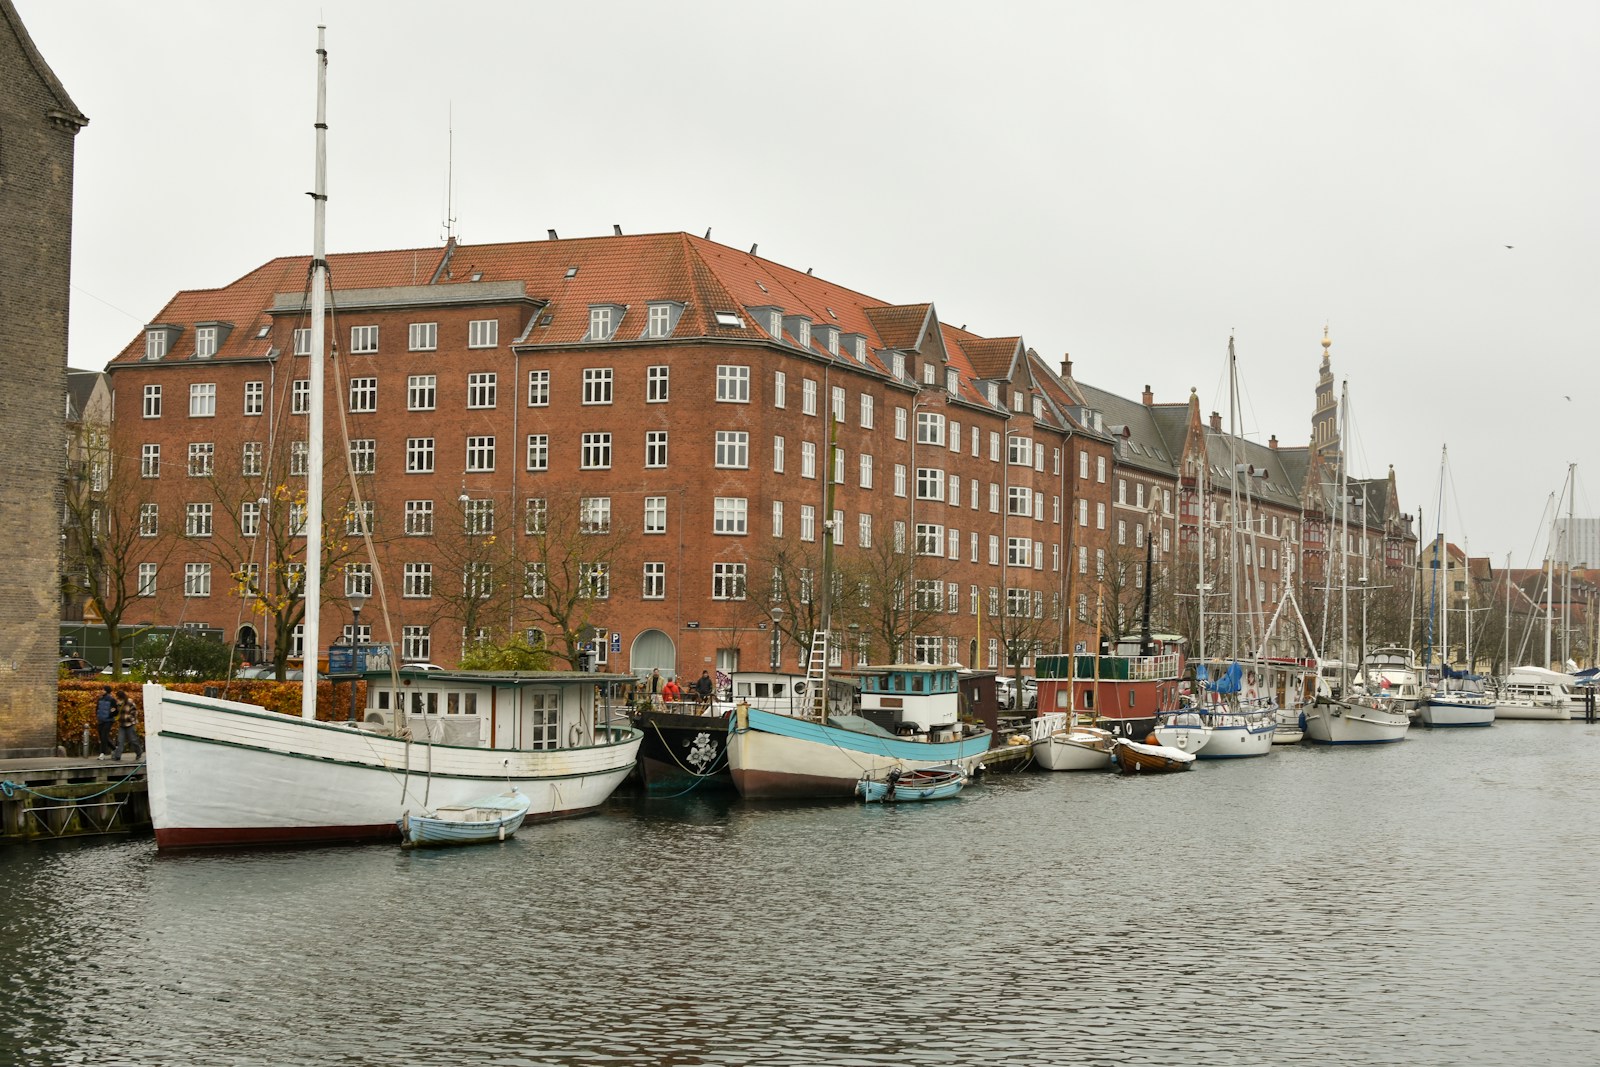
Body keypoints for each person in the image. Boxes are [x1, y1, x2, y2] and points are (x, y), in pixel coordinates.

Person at [112, 693, 145, 762]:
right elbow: (117, 712)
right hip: (122, 724)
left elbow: (135, 712)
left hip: (130, 724)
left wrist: (129, 718)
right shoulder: (118, 704)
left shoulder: (130, 702)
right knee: (120, 740)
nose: (118, 700)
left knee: (133, 740)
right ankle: (117, 756)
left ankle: (139, 752)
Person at [94, 687, 116, 760]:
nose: (102, 691)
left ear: (107, 691)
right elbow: (97, 708)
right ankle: (114, 749)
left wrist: (109, 716)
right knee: (102, 736)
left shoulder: (112, 700)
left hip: (108, 721)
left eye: (103, 690)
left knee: (104, 736)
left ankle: (102, 753)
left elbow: (115, 710)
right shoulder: (100, 699)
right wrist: (98, 715)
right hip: (101, 720)